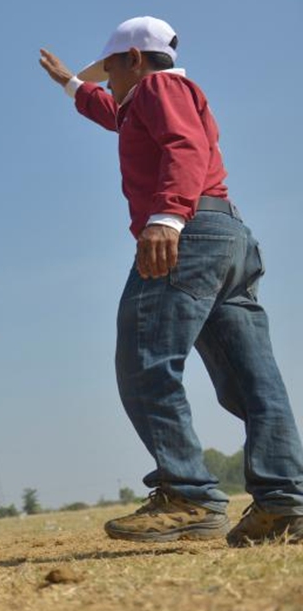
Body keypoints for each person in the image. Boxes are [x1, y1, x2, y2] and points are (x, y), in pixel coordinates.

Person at [39, 17, 303, 545]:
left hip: (191, 234)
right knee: (251, 378)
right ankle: (284, 504)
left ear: (133, 59)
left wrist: (166, 218)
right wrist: (72, 84)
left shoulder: (162, 87)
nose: (107, 82)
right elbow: (114, 114)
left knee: (144, 358)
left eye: (109, 70)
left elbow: (184, 147)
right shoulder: (147, 99)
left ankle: (189, 495)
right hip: (224, 236)